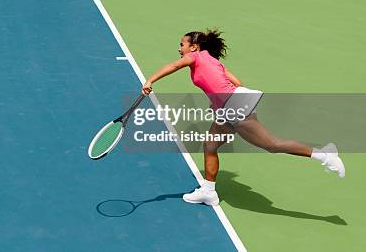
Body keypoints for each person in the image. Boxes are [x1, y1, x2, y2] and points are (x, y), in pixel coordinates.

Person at [141, 29, 345, 206]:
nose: (179, 48)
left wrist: (150, 80)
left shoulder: (196, 57)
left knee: (271, 145)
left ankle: (325, 155)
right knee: (210, 145)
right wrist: (220, 101)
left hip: (234, 106)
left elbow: (175, 66)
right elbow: (236, 82)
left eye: (182, 44)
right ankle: (208, 192)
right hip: (230, 106)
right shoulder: (213, 61)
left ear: (194, 47)